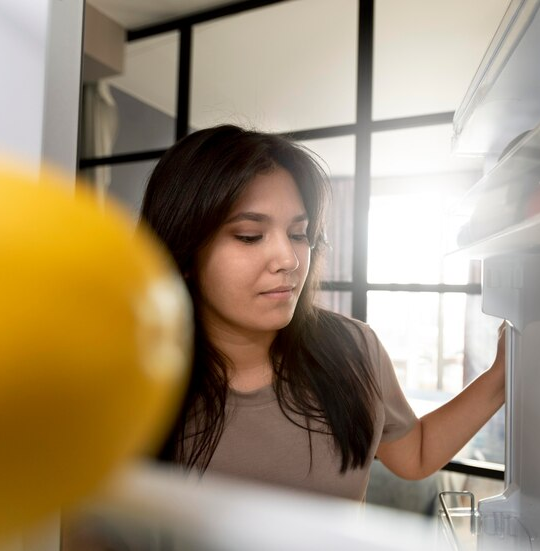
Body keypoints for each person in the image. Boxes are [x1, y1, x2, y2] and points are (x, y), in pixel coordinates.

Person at [139, 124, 506, 502]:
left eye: (299, 234)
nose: (288, 259)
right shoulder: (134, 383)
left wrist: (502, 374)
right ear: (183, 252)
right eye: (249, 235)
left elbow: (415, 454)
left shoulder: (354, 349)